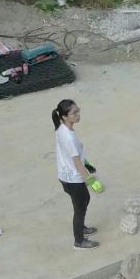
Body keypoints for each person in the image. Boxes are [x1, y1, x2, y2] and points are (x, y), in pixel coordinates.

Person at [52, 99, 102, 250]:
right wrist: (91, 180)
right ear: (64, 117)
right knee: (80, 208)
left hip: (66, 175)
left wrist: (86, 163)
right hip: (72, 179)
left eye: (78, 110)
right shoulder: (68, 136)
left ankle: (82, 228)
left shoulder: (62, 128)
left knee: (84, 200)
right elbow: (77, 163)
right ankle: (79, 241)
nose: (78, 114)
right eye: (74, 113)